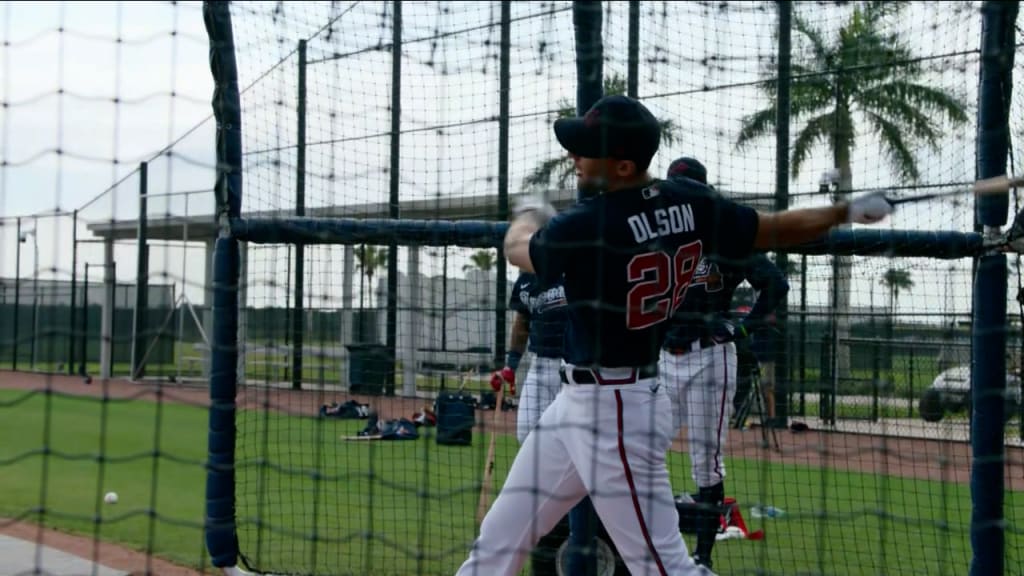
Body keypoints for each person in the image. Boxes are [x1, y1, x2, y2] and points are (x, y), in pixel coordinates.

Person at [456, 94, 893, 576]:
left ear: (622, 165)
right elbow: (774, 228)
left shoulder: (591, 223)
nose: (573, 157)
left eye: (585, 150)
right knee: (498, 543)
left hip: (615, 411)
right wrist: (843, 211)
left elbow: (517, 250)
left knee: (664, 568)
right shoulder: (691, 202)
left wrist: (527, 212)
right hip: (583, 404)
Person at [658, 156, 789, 569]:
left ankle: (702, 558)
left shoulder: (727, 237)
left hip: (710, 358)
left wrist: (744, 328)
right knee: (643, 449)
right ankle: (655, 544)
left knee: (705, 458)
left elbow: (775, 284)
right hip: (662, 359)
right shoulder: (658, 237)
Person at [491, 271, 568, 443]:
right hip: (539, 364)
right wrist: (510, 366)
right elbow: (522, 322)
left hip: (572, 366)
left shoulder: (574, 267)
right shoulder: (526, 279)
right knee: (526, 435)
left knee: (570, 436)